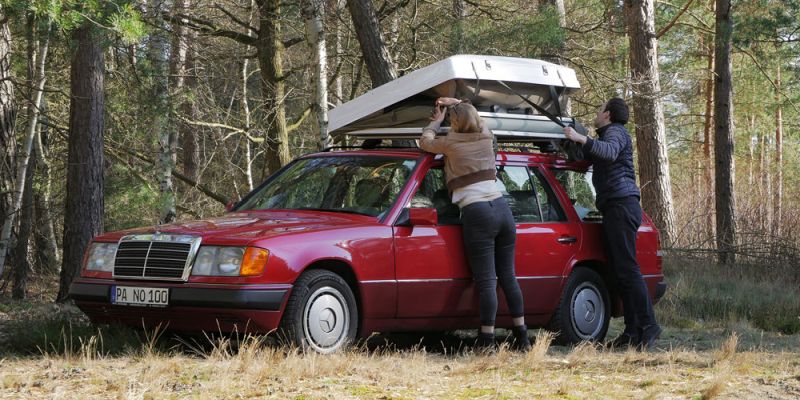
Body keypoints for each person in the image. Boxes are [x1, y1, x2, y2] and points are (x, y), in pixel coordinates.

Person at [419, 97, 530, 352]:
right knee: (509, 277)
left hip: (477, 212)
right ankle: (522, 335)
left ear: (454, 123)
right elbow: (477, 120)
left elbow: (425, 142)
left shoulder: (451, 143)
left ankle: (487, 339)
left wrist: (436, 122)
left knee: (487, 281)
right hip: (503, 210)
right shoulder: (486, 137)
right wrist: (459, 103)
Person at [563, 98, 662, 350]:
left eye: (599, 110)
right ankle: (632, 332)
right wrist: (574, 143)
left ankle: (649, 326)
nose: (596, 114)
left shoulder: (616, 132)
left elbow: (607, 152)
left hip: (621, 205)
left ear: (607, 114)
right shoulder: (607, 135)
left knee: (628, 270)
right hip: (616, 207)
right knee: (622, 271)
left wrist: (581, 137)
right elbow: (586, 159)